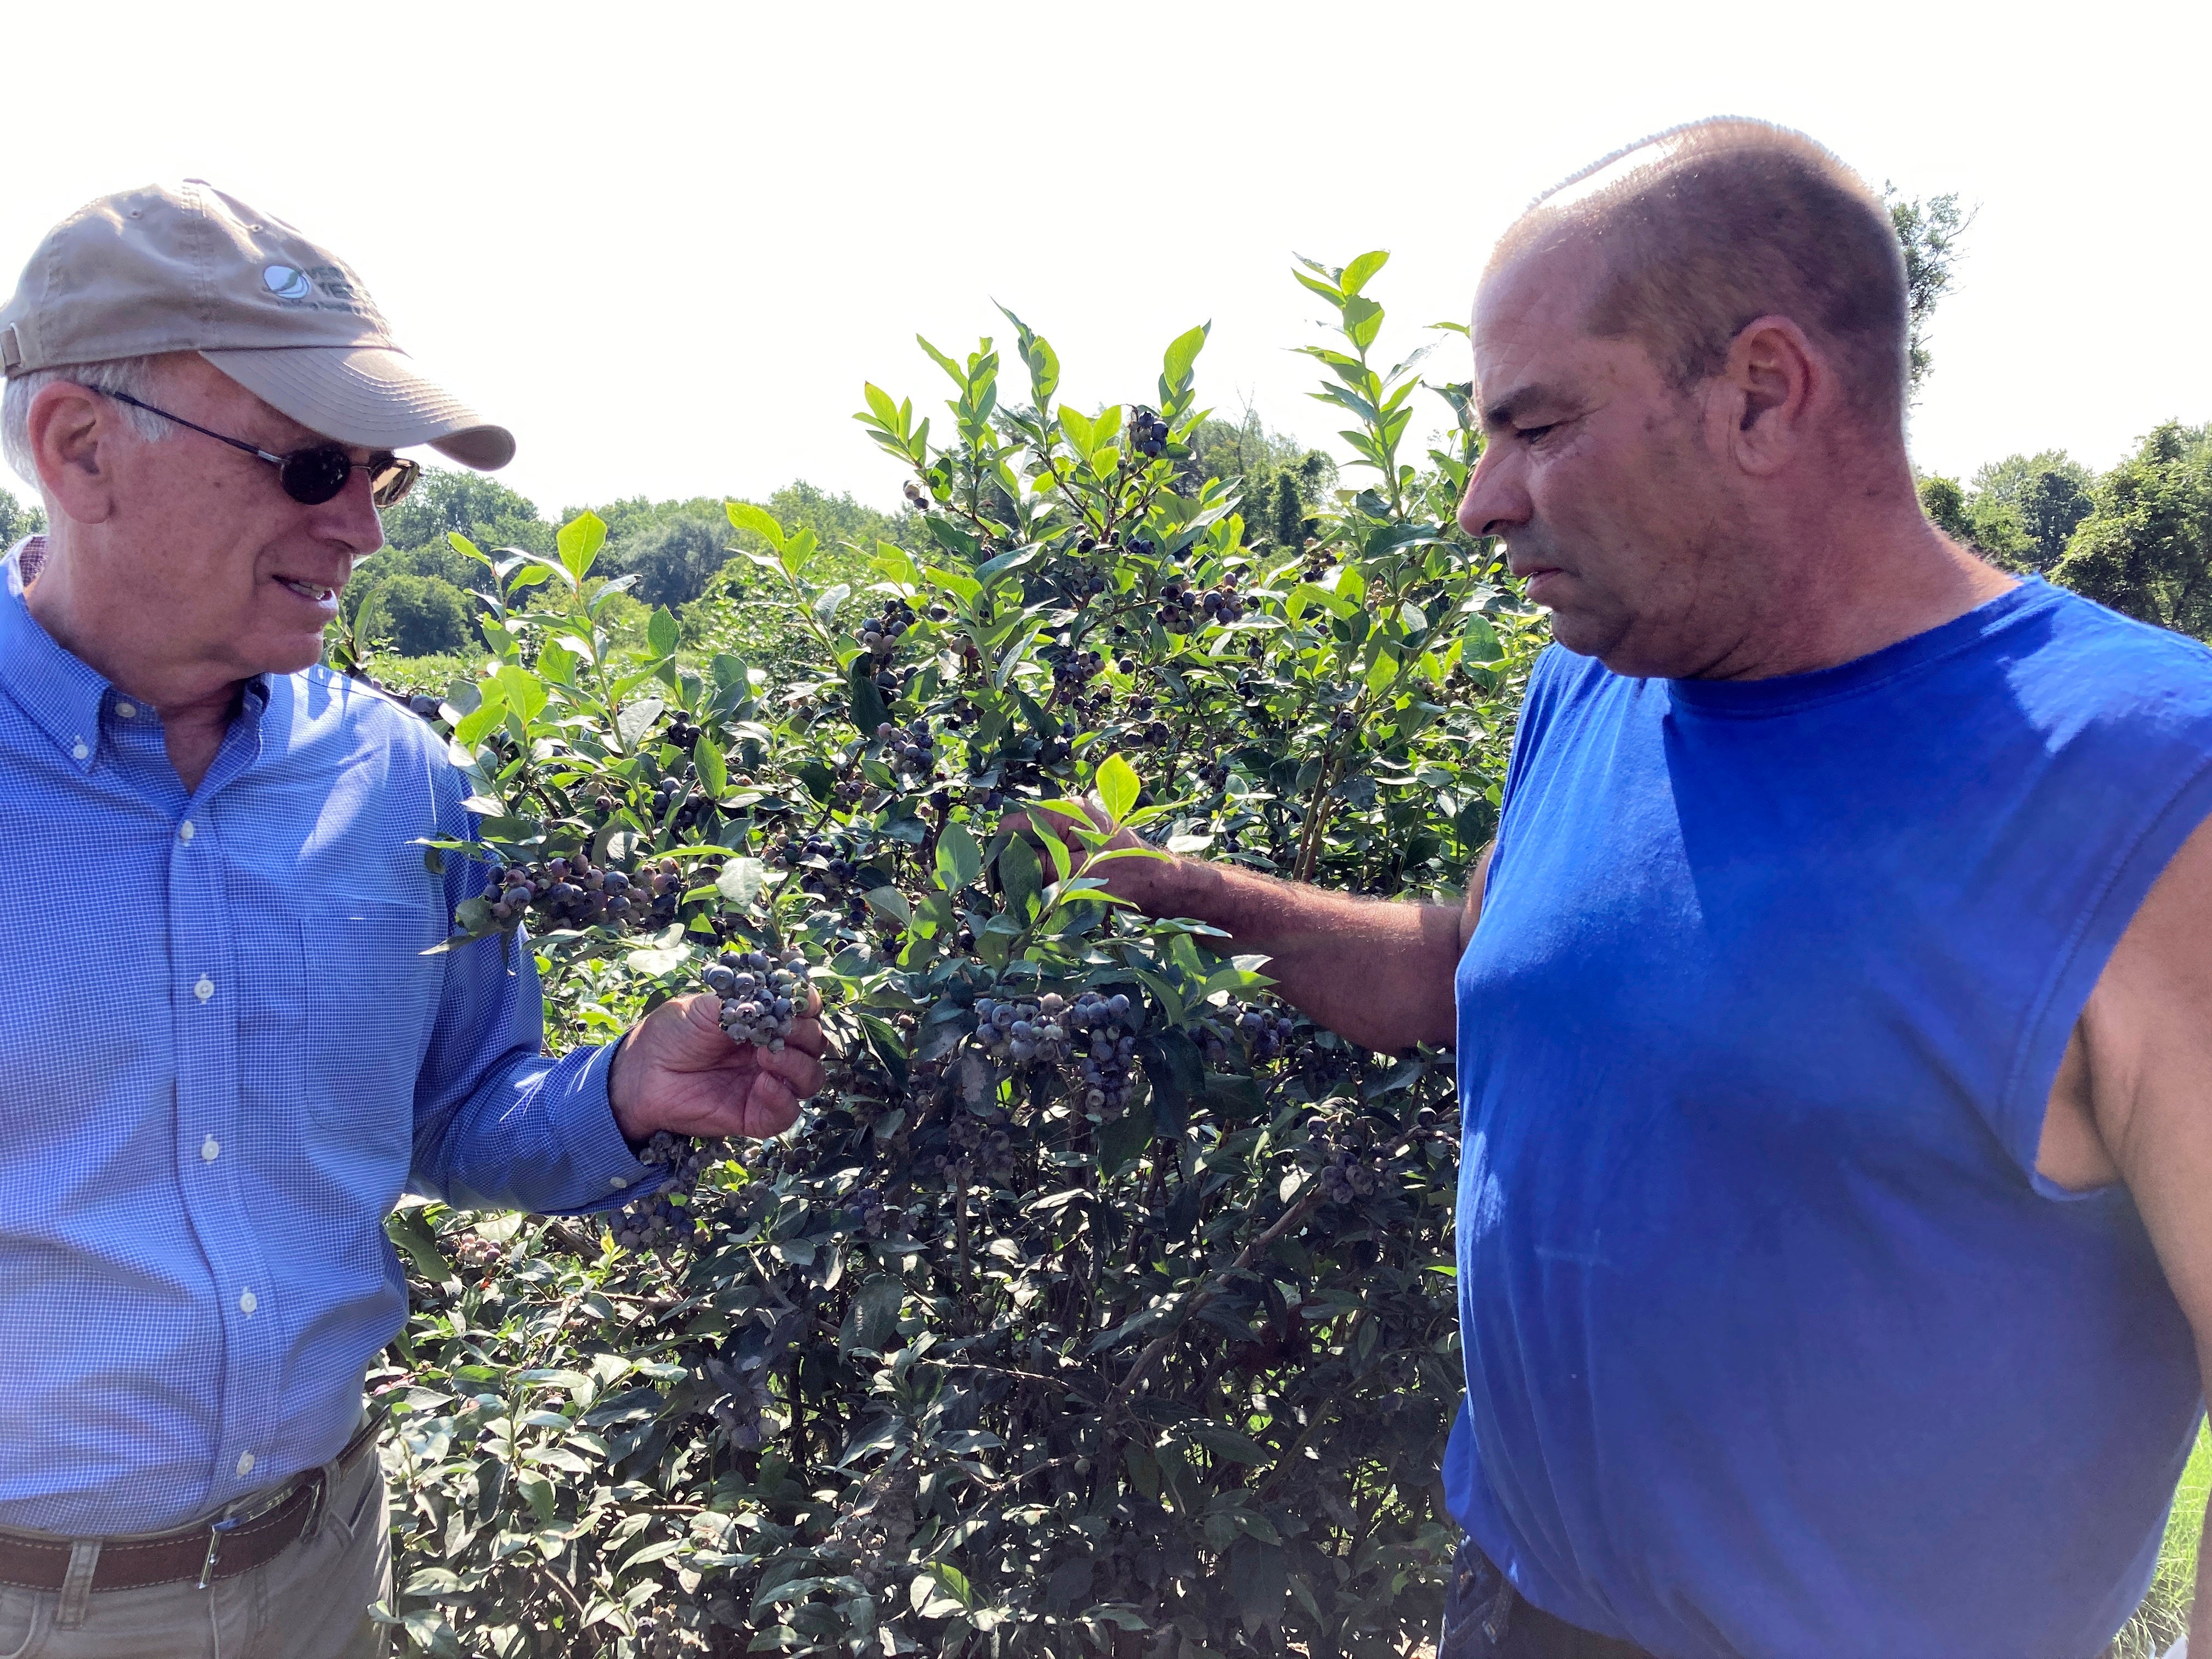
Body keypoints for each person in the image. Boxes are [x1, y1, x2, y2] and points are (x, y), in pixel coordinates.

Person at [1048, 120, 2212, 1657]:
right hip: (1514, 1602)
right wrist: (1165, 892)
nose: (1480, 501)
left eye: (1533, 426)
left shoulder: (2153, 785)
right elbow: (1480, 968)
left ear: (1761, 394)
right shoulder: (1594, 690)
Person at [0, 182, 823, 1658]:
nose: (362, 531)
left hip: (317, 1572)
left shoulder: (400, 782)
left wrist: (624, 1091)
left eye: (387, 479)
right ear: (80, 449)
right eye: (315, 466)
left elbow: (455, 1109)